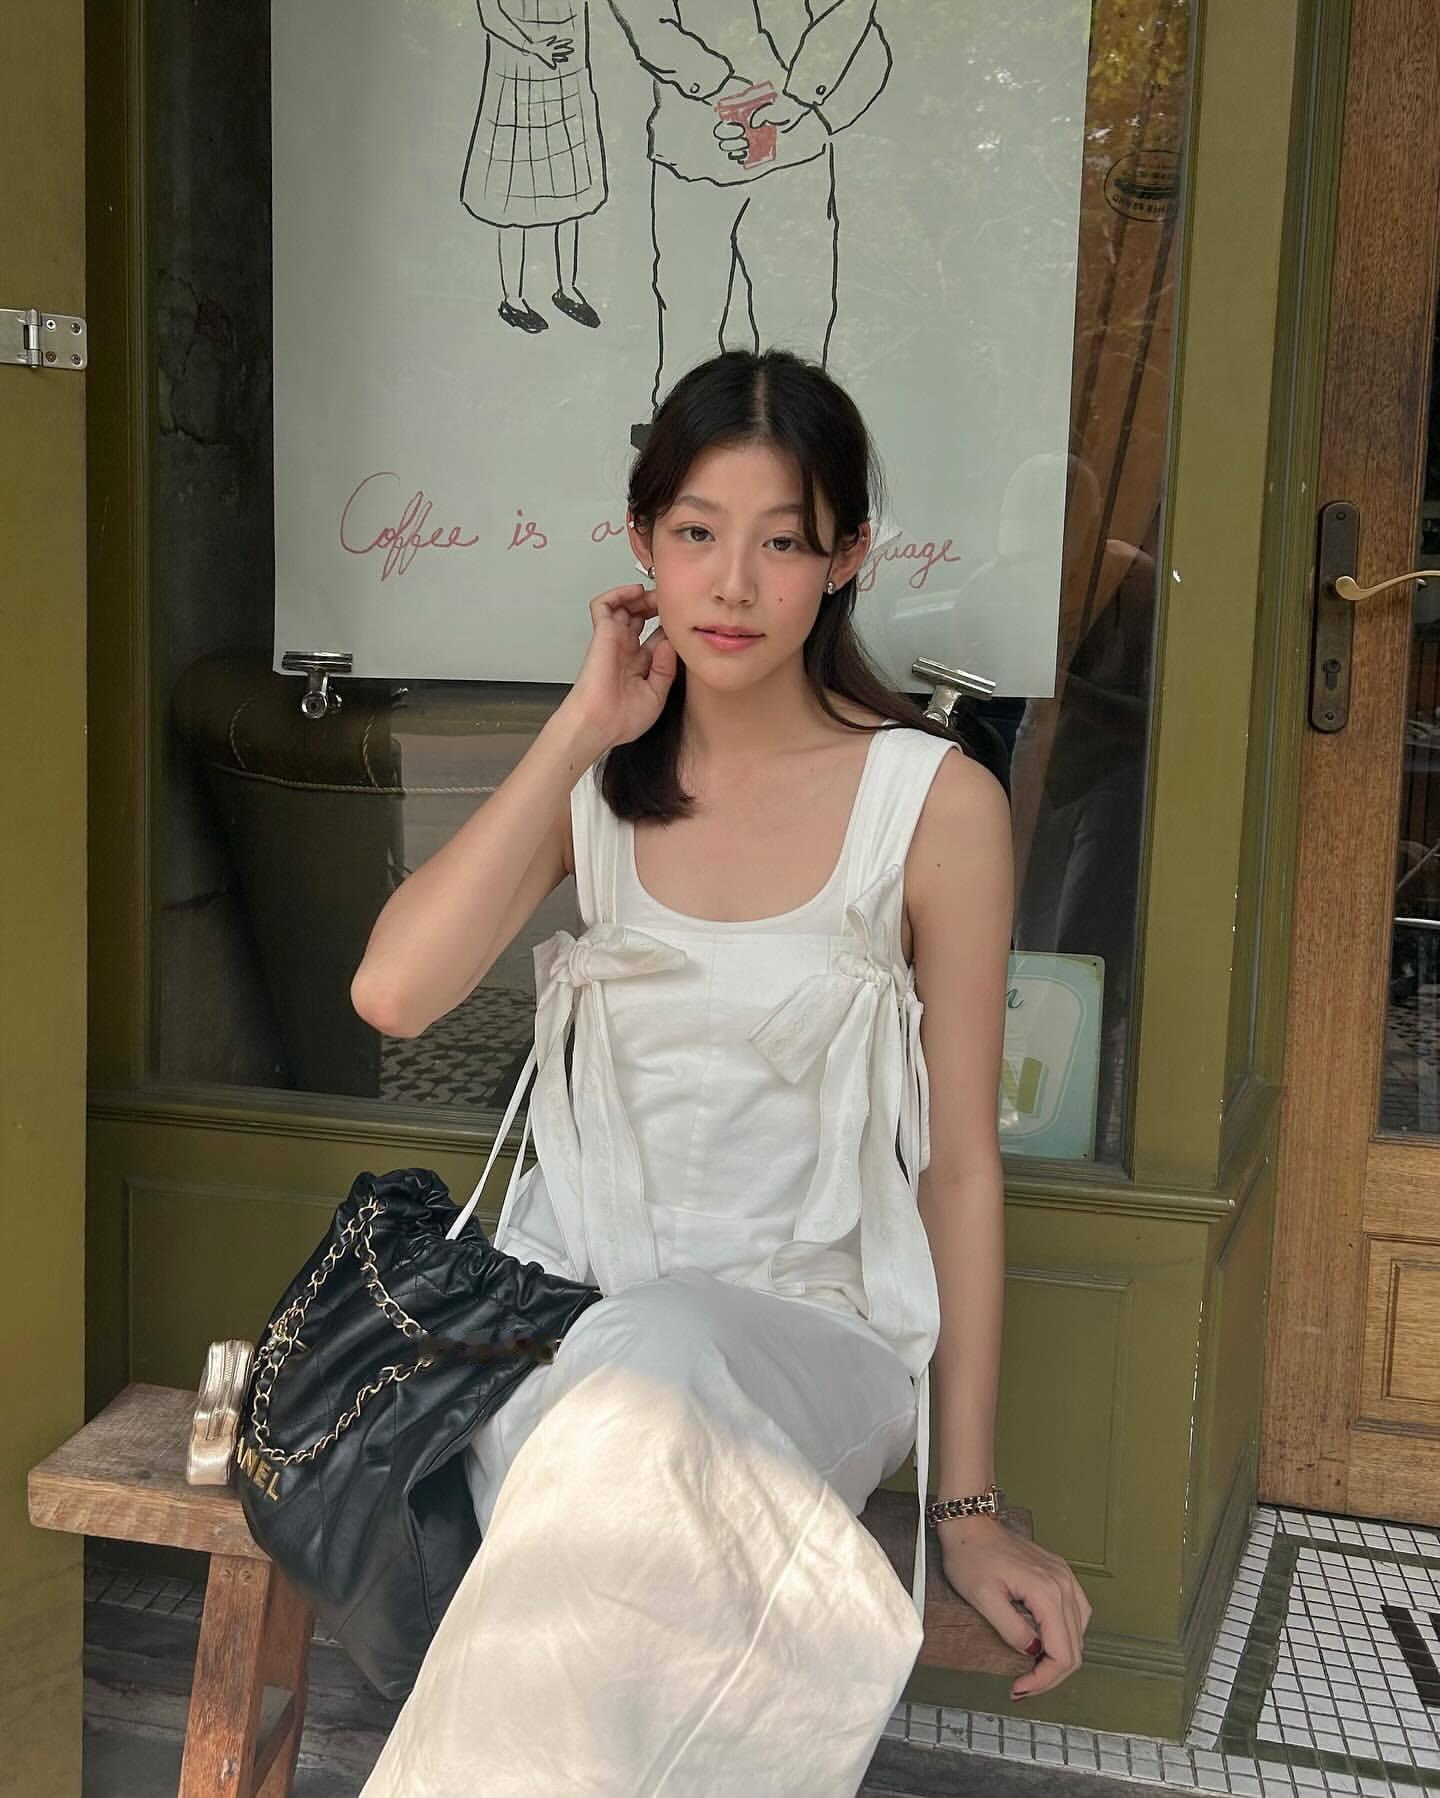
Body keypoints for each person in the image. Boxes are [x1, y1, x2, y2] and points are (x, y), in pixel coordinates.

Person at [350, 348, 1092, 1796]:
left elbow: (958, 1165)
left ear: (848, 556)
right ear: (641, 543)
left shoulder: (932, 803)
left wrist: (970, 1507)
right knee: (626, 1426)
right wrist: (580, 727)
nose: (733, 582)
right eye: (695, 531)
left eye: (784, 541)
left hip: (808, 1345)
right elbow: (394, 990)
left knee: (661, 1369)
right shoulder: (599, 782)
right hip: (562, 1335)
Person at [461, 0, 608, 334]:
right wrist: (531, 46)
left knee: (571, 189)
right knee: (512, 194)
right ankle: (513, 300)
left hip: (566, 82)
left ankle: (567, 288)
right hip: (516, 81)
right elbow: (490, 13)